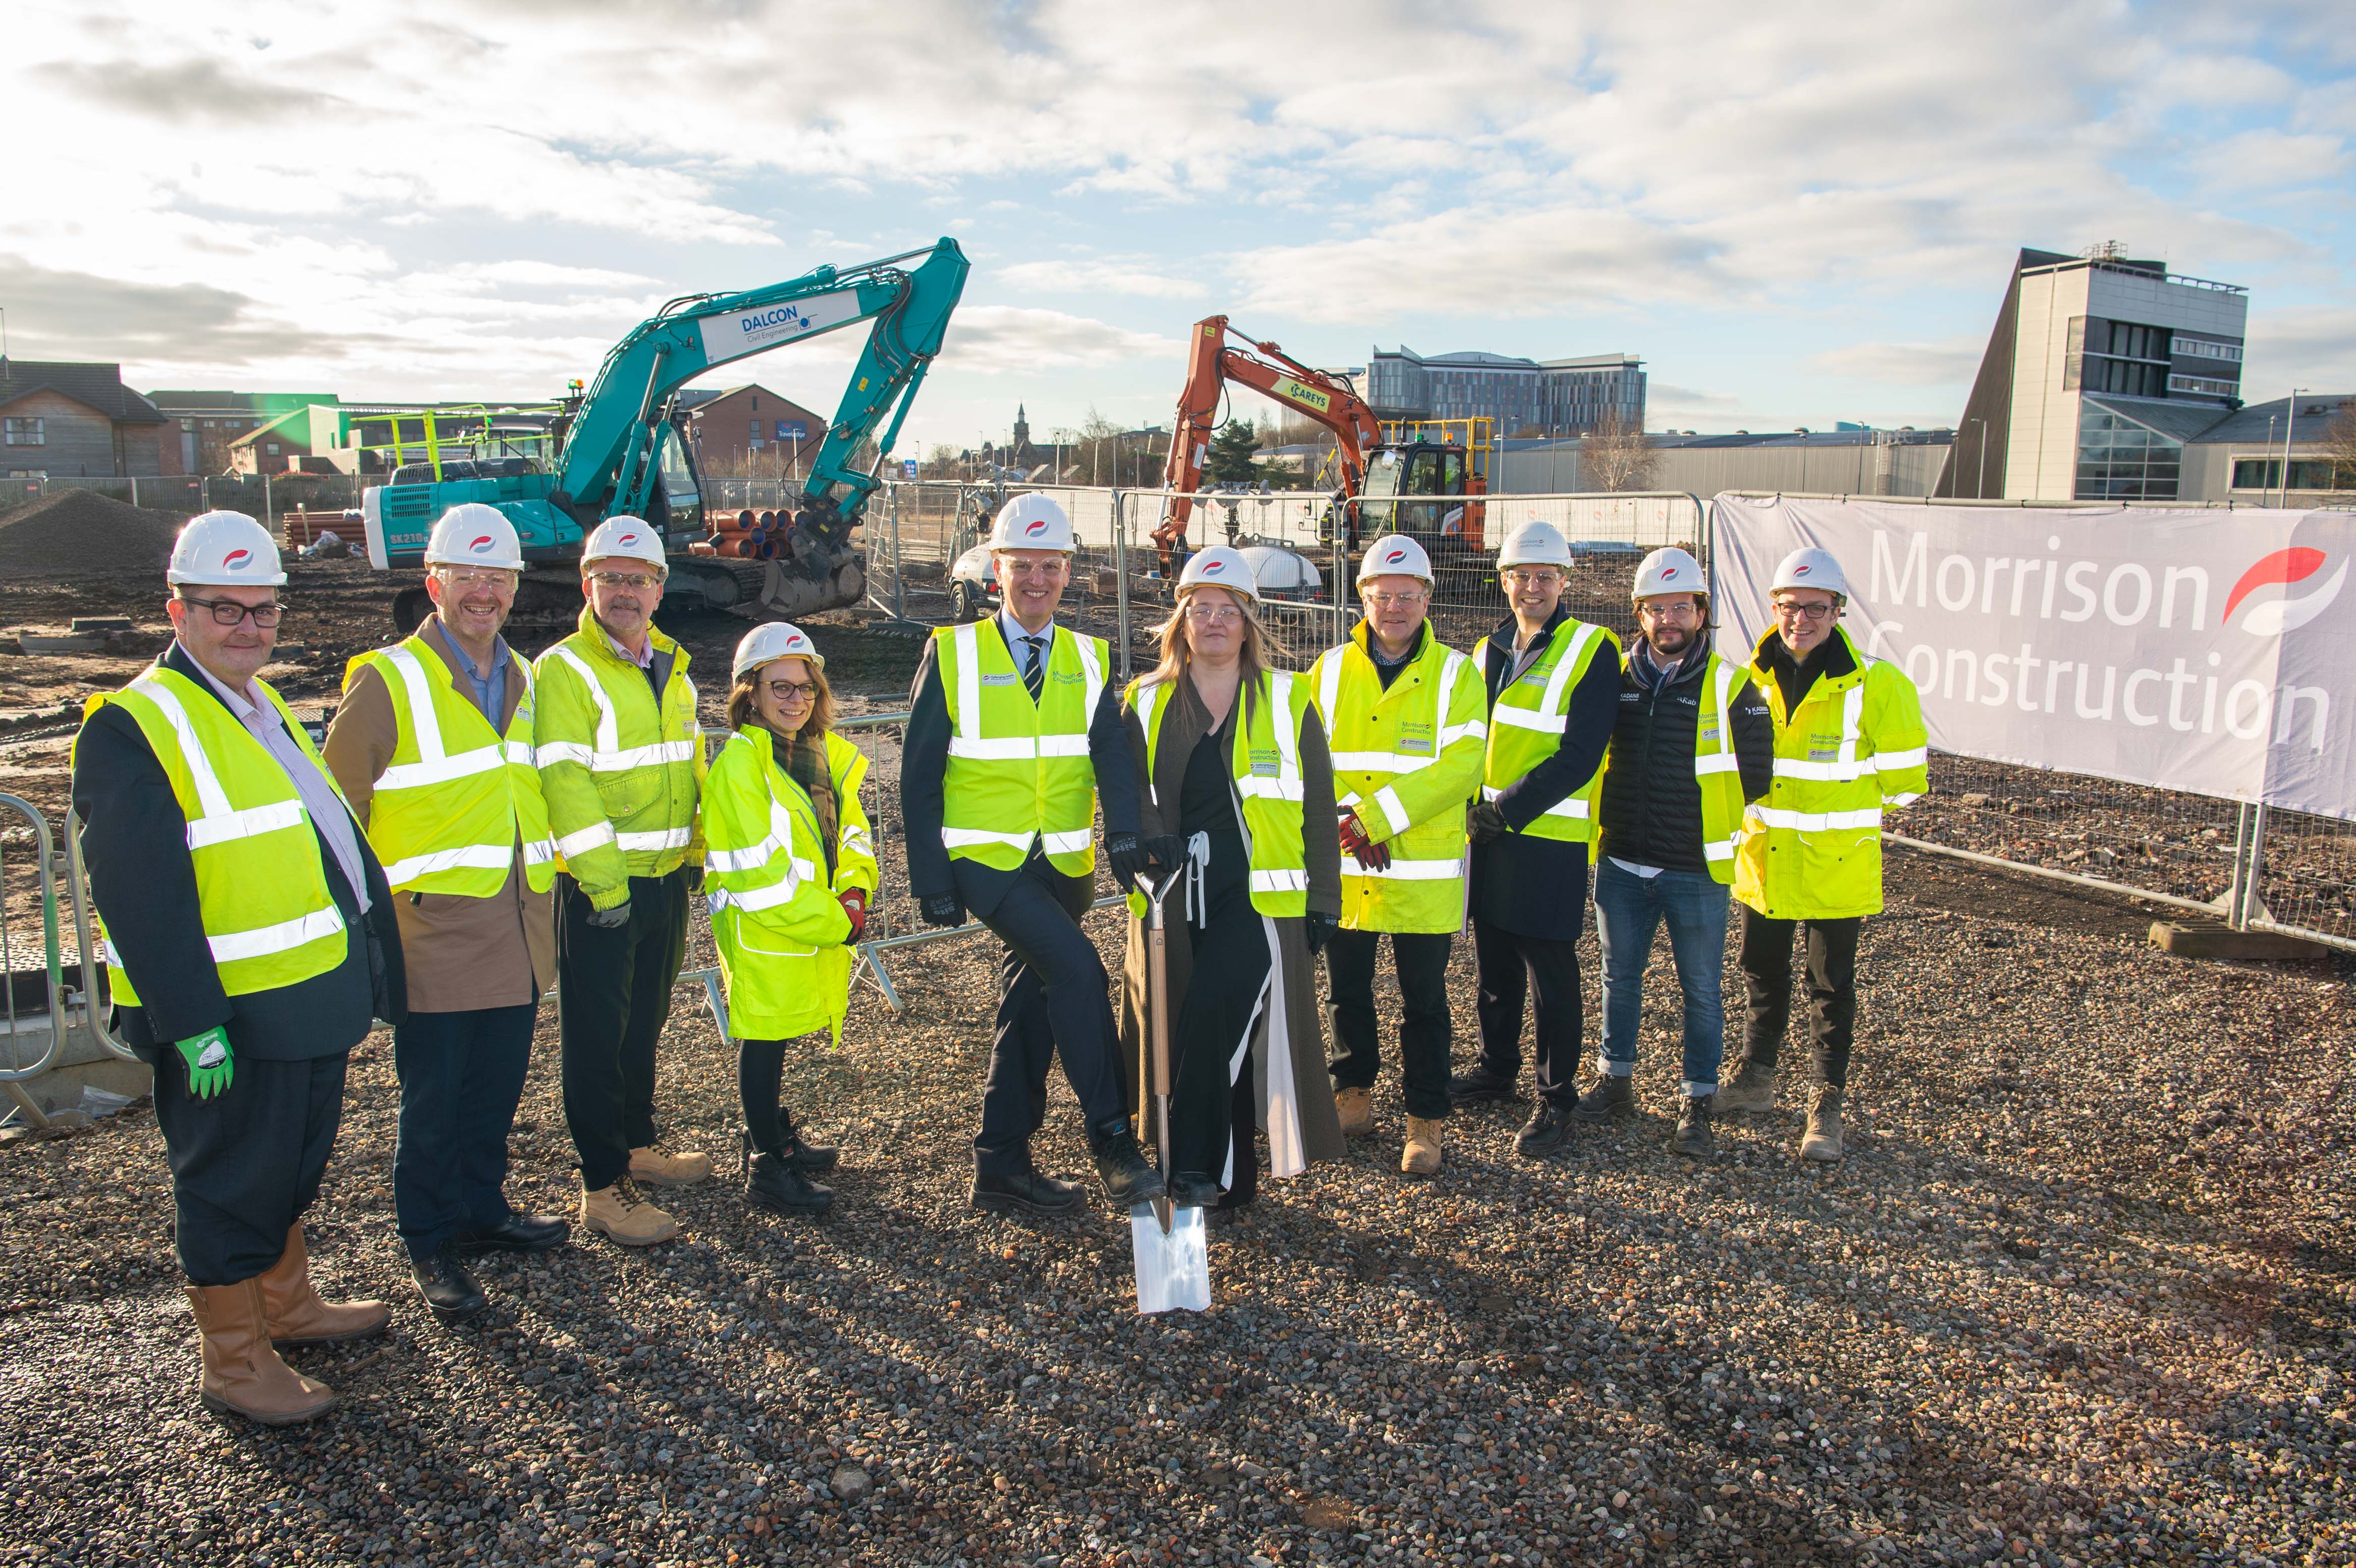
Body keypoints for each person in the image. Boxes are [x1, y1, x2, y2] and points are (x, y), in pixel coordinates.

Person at [71, 511, 405, 1425]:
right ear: (177, 610)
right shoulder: (136, 723)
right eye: (226, 608)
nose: (249, 627)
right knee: (228, 1180)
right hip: (229, 1017)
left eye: (263, 609)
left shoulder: (258, 706)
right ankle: (233, 1360)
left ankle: (286, 1306)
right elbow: (138, 894)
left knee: (288, 1165)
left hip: (301, 998)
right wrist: (191, 1022)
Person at [323, 504, 567, 1321]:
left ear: (514, 588)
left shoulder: (525, 678)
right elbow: (338, 808)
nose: (483, 592)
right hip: (431, 932)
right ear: (434, 584)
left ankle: (481, 1210)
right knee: (432, 1102)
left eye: (497, 578)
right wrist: (363, 923)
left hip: (516, 924)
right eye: (467, 576)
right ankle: (430, 1240)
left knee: (494, 1089)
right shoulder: (388, 679)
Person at [901, 493, 1162, 1214]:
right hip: (987, 862)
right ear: (998, 569)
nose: (1037, 580)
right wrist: (930, 878)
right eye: (1023, 566)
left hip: (1063, 865)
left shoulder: (1087, 656)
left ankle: (1001, 1164)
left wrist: (1122, 832)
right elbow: (919, 775)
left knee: (1033, 1000)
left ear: (1068, 571)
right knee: (1078, 971)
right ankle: (1113, 1139)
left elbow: (1110, 752)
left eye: (1050, 566)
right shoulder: (952, 652)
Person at [1116, 547, 1346, 1210]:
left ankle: (1191, 1167)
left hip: (1260, 899)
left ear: (1249, 623)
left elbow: (1318, 807)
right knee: (1190, 1023)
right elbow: (1127, 792)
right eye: (1201, 610)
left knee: (1215, 1011)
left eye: (1229, 610)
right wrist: (1143, 841)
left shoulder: (1288, 698)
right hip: (1174, 895)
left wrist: (1324, 899)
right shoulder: (1147, 700)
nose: (1214, 621)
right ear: (1182, 622)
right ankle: (1232, 1176)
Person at [1718, 546, 1928, 1161]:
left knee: (1830, 984)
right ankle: (1756, 1078)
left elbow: (1905, 785)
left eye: (1815, 608)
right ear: (1773, 608)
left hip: (1836, 863)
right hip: (1765, 856)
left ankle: (1825, 1102)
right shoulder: (1747, 679)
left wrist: (1837, 814)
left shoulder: (1878, 685)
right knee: (1761, 970)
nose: (1800, 619)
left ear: (1838, 611)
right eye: (1789, 606)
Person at [535, 516, 709, 1244]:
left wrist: (694, 852)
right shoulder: (566, 669)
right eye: (610, 578)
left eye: (638, 579)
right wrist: (604, 887)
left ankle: (637, 1144)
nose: (624, 592)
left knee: (644, 1023)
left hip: (663, 880)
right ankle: (603, 1186)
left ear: (660, 589)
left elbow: (689, 765)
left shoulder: (671, 665)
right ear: (587, 586)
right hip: (602, 890)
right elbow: (564, 782)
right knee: (597, 1039)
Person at [1585, 547, 1776, 1155]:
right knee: (1618, 978)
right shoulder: (1613, 675)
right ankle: (1615, 1082)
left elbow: (1757, 774)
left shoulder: (1731, 684)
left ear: (1700, 612)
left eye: (1680, 608)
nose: (1667, 620)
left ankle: (1697, 1101)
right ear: (1638, 614)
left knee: (1700, 988)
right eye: (1655, 609)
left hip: (1695, 868)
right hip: (1620, 859)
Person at [1307, 533, 1488, 1176]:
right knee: (1346, 992)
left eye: (1407, 596)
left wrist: (1375, 818)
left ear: (1427, 600)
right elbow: (1310, 760)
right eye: (1382, 596)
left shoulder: (1458, 674)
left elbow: (1464, 765)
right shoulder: (1329, 670)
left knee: (1425, 1002)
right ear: (1363, 597)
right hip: (1347, 863)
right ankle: (1352, 1093)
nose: (1394, 608)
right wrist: (1350, 823)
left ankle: (1425, 1119)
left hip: (1421, 873)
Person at [1446, 520, 1621, 1156]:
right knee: (1493, 964)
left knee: (1550, 974)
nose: (1532, 588)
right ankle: (1497, 1069)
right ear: (1504, 581)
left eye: (1545, 577)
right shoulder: (1486, 651)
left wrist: (1506, 811)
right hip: (1488, 833)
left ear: (1564, 581)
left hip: (1546, 837)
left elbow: (1580, 755)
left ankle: (1556, 1097)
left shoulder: (1591, 648)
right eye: (1521, 576)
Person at [704, 622, 876, 1217]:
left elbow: (851, 832)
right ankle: (766, 1169)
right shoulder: (740, 768)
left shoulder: (820, 756)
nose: (795, 699)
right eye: (780, 687)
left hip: (807, 923)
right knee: (763, 1037)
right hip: (766, 929)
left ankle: (772, 1136)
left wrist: (855, 890)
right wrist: (837, 921)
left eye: (805, 687)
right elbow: (761, 880)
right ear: (750, 693)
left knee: (775, 1039)